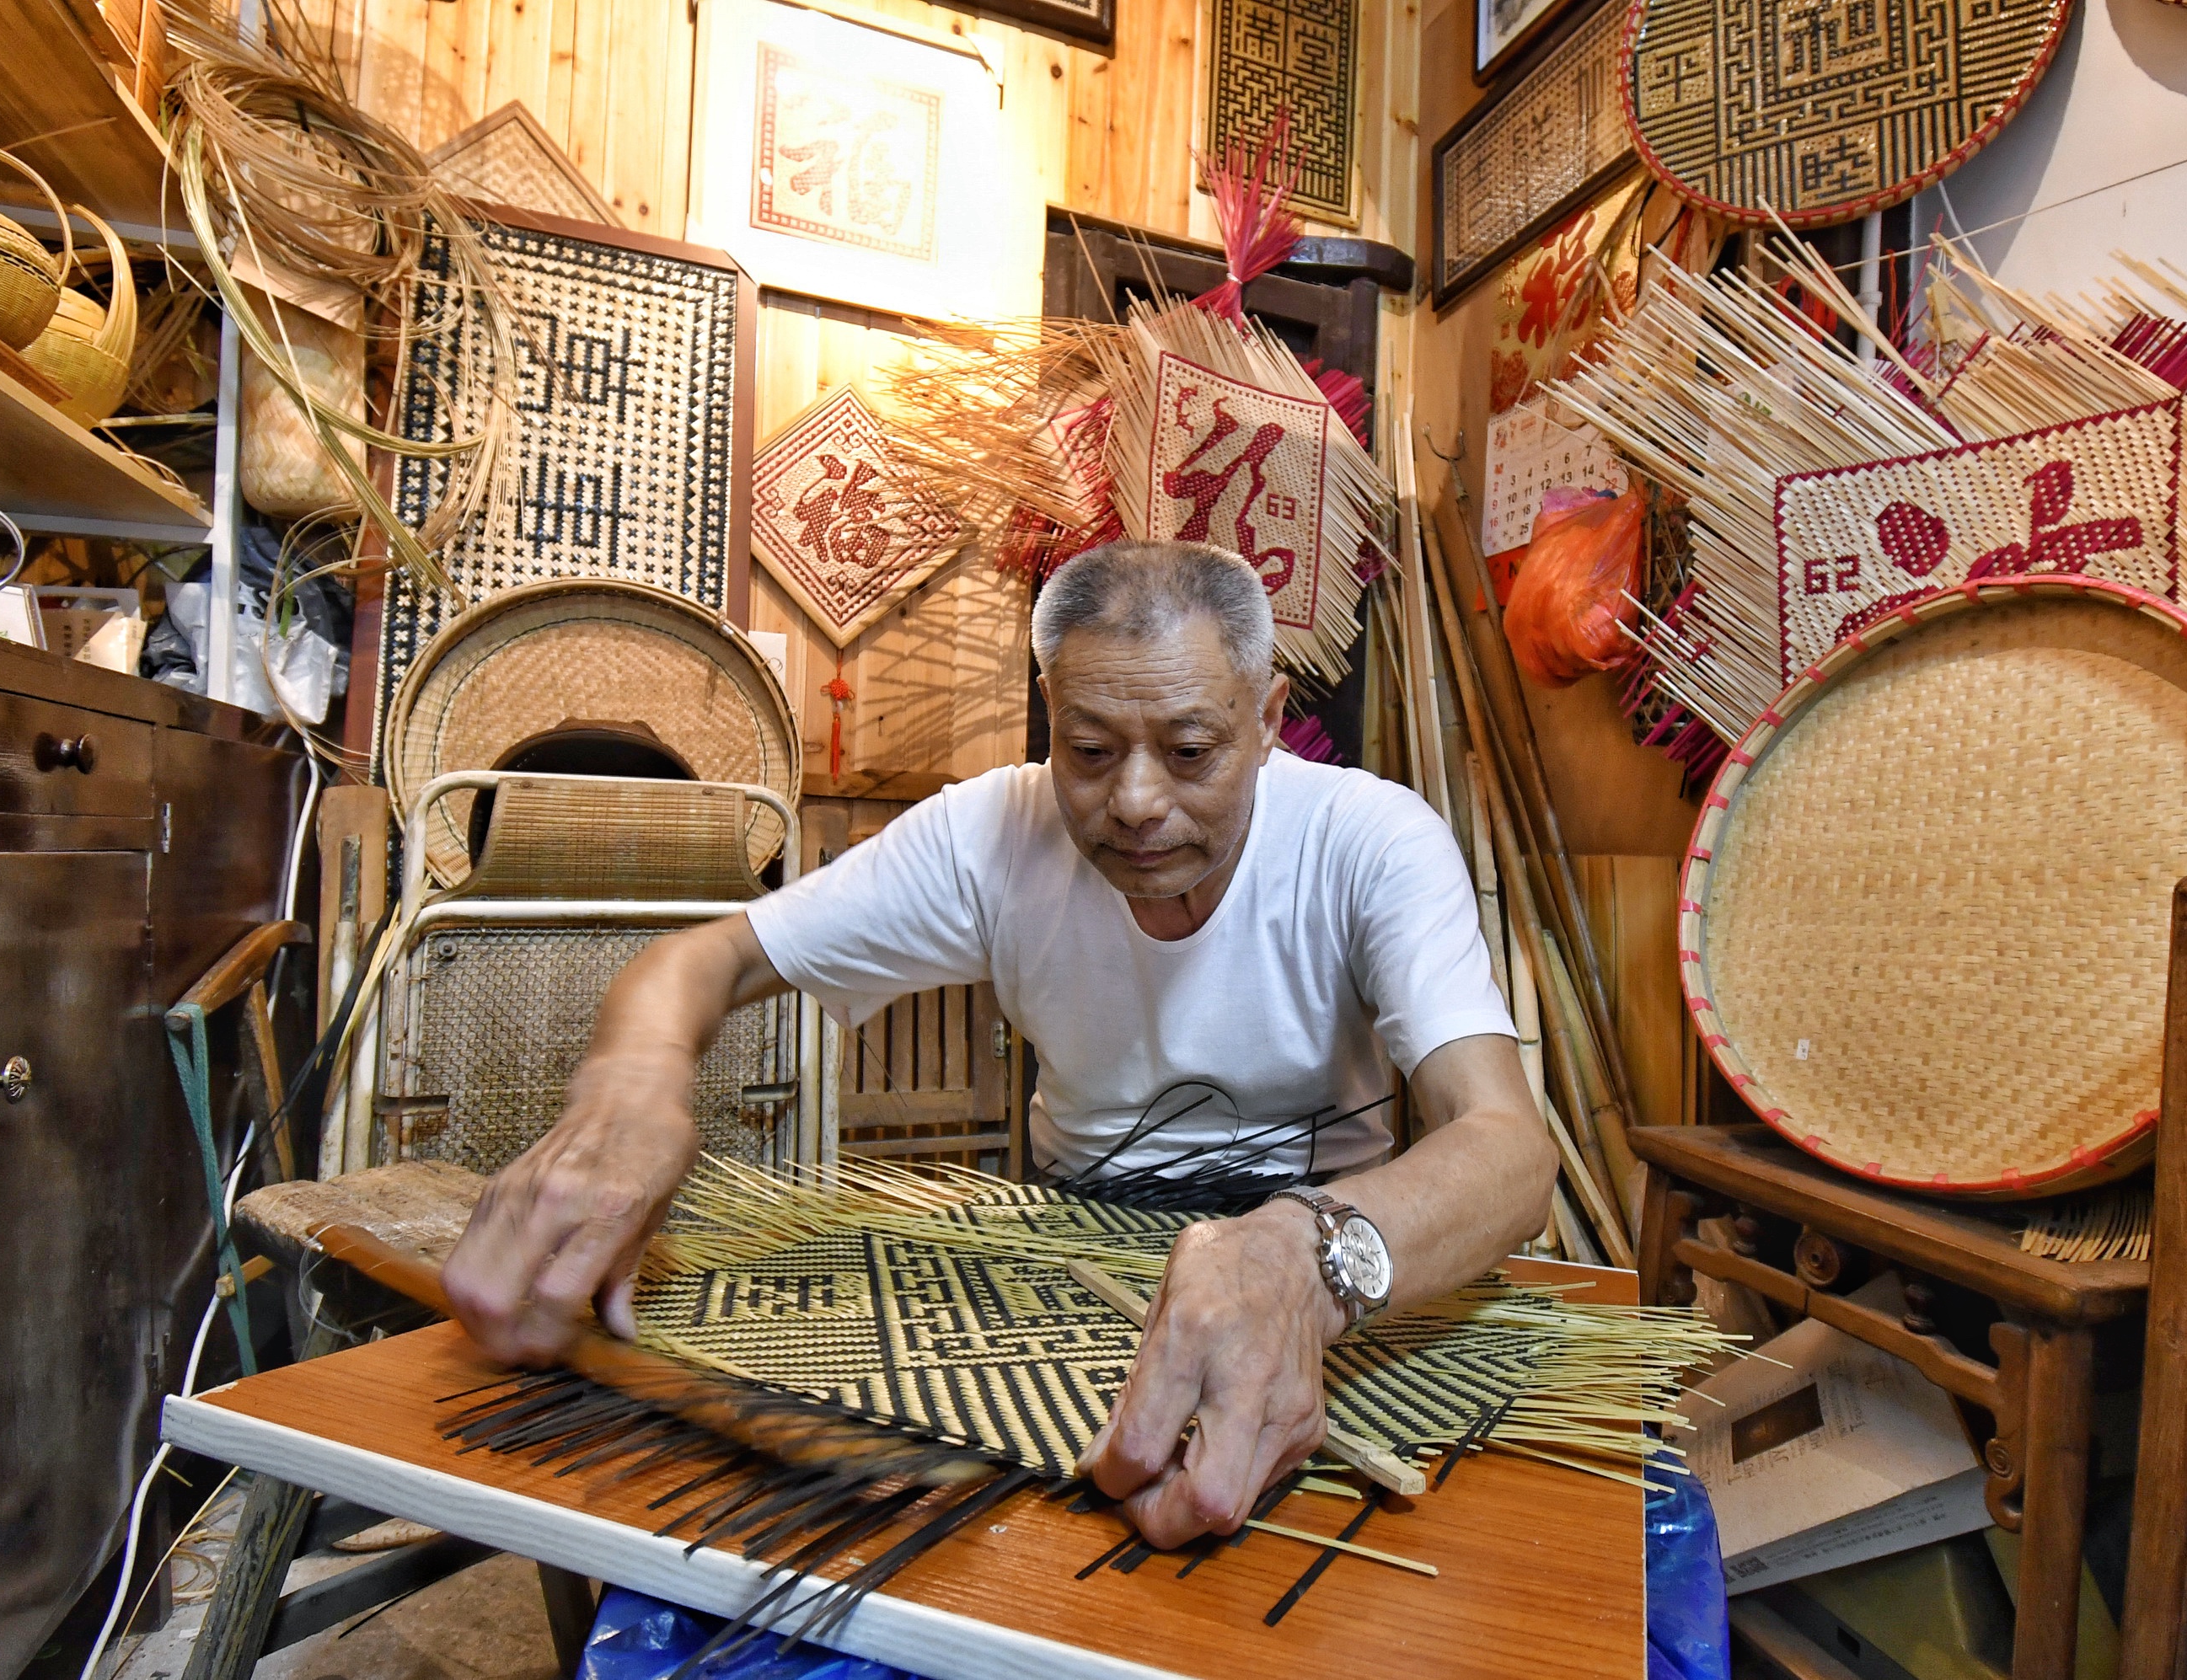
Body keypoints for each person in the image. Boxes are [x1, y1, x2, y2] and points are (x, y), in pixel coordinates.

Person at [442, 539, 1555, 1548]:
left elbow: (1510, 1149)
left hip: (1326, 1261)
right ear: (1048, 716)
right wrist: (629, 1094)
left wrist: (1299, 1258)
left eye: (1189, 749)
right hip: (1075, 1253)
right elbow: (702, 962)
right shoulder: (995, 833)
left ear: (1267, 723)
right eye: (1089, 748)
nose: (1135, 801)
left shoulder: (1370, 842)